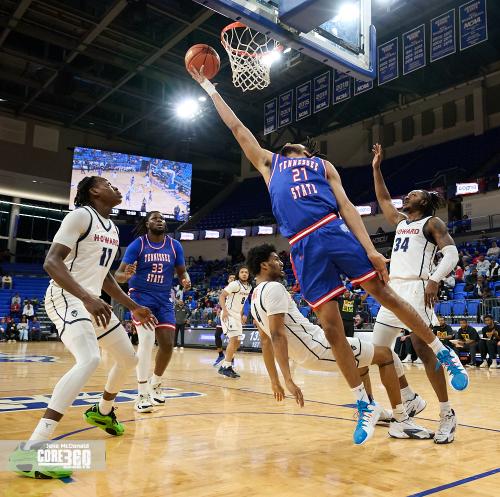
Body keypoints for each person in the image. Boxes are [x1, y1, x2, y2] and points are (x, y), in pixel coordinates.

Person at [10, 176, 156, 480]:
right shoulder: (80, 216)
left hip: (92, 302)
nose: (116, 188)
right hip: (66, 297)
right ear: (94, 191)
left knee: (129, 359)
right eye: (108, 184)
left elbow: (104, 277)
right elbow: (51, 262)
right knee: (89, 359)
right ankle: (32, 450)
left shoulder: (113, 229)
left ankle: (102, 411)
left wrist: (132, 307)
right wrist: (87, 297)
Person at [247, 244, 432, 443]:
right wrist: (288, 379)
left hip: (310, 351)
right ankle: (401, 420)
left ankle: (371, 406)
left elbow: (265, 342)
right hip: (317, 347)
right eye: (275, 259)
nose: (280, 262)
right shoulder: (275, 288)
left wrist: (275, 381)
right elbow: (276, 336)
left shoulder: (254, 297)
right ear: (264, 265)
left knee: (363, 359)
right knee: (386, 355)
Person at [371, 143, 467, 444]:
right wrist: (376, 169)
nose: (407, 196)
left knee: (425, 352)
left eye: (414, 195)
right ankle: (409, 398)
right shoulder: (401, 222)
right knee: (379, 352)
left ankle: (447, 413)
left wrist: (435, 279)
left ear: (424, 204)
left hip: (415, 288)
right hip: (392, 291)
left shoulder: (431, 222)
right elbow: (384, 199)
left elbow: (451, 254)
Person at [115, 211, 190, 413]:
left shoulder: (175, 246)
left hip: (164, 299)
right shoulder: (138, 245)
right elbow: (119, 275)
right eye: (155, 218)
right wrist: (126, 274)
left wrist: (185, 279)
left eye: (162, 219)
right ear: (147, 223)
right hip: (140, 298)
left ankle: (155, 383)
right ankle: (141, 393)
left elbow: (182, 271)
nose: (160, 221)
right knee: (147, 341)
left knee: (167, 344)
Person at [217, 265, 251, 378]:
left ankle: (226, 365)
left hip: (237, 315)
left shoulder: (249, 287)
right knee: (234, 339)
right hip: (229, 313)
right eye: (242, 272)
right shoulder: (234, 284)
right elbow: (222, 296)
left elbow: (241, 303)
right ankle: (226, 366)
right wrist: (224, 310)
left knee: (237, 342)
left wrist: (241, 315)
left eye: (246, 272)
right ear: (238, 274)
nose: (244, 274)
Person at [213, 274, 235, 367]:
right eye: (230, 278)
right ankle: (221, 355)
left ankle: (231, 359)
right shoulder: (225, 289)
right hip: (223, 314)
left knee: (232, 338)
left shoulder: (237, 289)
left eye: (234, 278)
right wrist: (218, 308)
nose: (232, 279)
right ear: (228, 280)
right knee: (217, 335)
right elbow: (220, 301)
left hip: (232, 315)